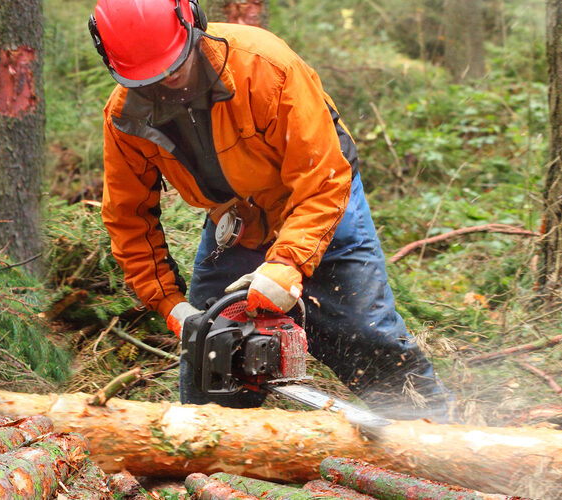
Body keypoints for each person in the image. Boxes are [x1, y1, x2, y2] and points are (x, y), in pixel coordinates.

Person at [89, 0, 453, 420]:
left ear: (193, 24)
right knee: (210, 350)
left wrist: (287, 263)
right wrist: (169, 303)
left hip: (320, 201)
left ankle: (435, 433)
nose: (167, 81)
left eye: (174, 66)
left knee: (366, 336)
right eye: (150, 77)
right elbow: (128, 218)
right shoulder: (125, 117)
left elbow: (323, 177)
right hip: (237, 222)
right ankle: (217, 452)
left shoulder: (264, 67)